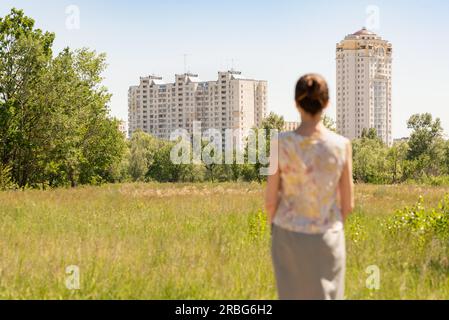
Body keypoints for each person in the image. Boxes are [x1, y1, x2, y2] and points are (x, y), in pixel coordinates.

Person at [265, 73, 354, 300]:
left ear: (296, 103)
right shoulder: (341, 146)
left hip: (287, 236)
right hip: (328, 237)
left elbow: (270, 201)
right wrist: (328, 226)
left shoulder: (279, 143)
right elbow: (348, 205)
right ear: (327, 103)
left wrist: (277, 227)